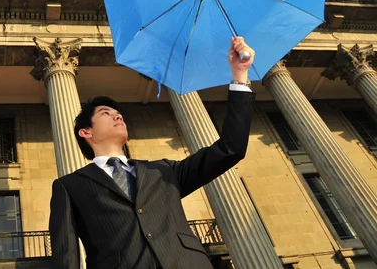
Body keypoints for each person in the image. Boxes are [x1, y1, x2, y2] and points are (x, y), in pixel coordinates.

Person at [48, 36, 256, 269]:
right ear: (85, 132)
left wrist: (240, 77)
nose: (118, 116)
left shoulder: (164, 171)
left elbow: (231, 149)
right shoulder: (69, 186)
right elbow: (65, 257)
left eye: (119, 114)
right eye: (106, 113)